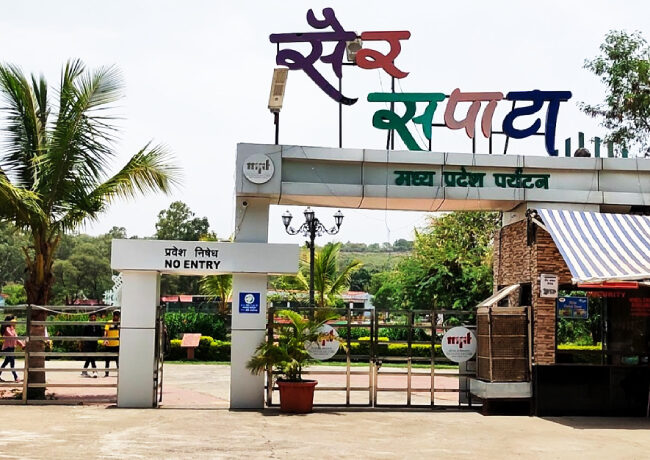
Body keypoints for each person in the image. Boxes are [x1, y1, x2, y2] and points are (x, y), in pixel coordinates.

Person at [1, 315, 25, 382]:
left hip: (12, 347)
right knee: (12, 362)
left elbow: (16, 338)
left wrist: (22, 345)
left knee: (5, 363)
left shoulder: (13, 328)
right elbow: (12, 336)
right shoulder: (7, 328)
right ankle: (16, 377)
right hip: (7, 347)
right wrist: (12, 327)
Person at [81, 312, 102, 378]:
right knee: (91, 356)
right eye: (92, 317)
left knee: (90, 357)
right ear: (89, 318)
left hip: (94, 343)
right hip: (88, 343)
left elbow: (100, 334)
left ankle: (84, 371)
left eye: (94, 317)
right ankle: (94, 371)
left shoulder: (98, 325)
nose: (93, 318)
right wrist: (83, 343)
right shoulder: (87, 325)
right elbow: (84, 334)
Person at [103, 311, 120, 377]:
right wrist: (105, 339)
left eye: (117, 315)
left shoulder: (120, 323)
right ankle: (106, 373)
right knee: (107, 359)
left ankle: (119, 373)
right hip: (109, 344)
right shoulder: (109, 322)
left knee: (117, 360)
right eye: (115, 315)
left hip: (117, 344)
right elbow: (105, 332)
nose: (116, 317)